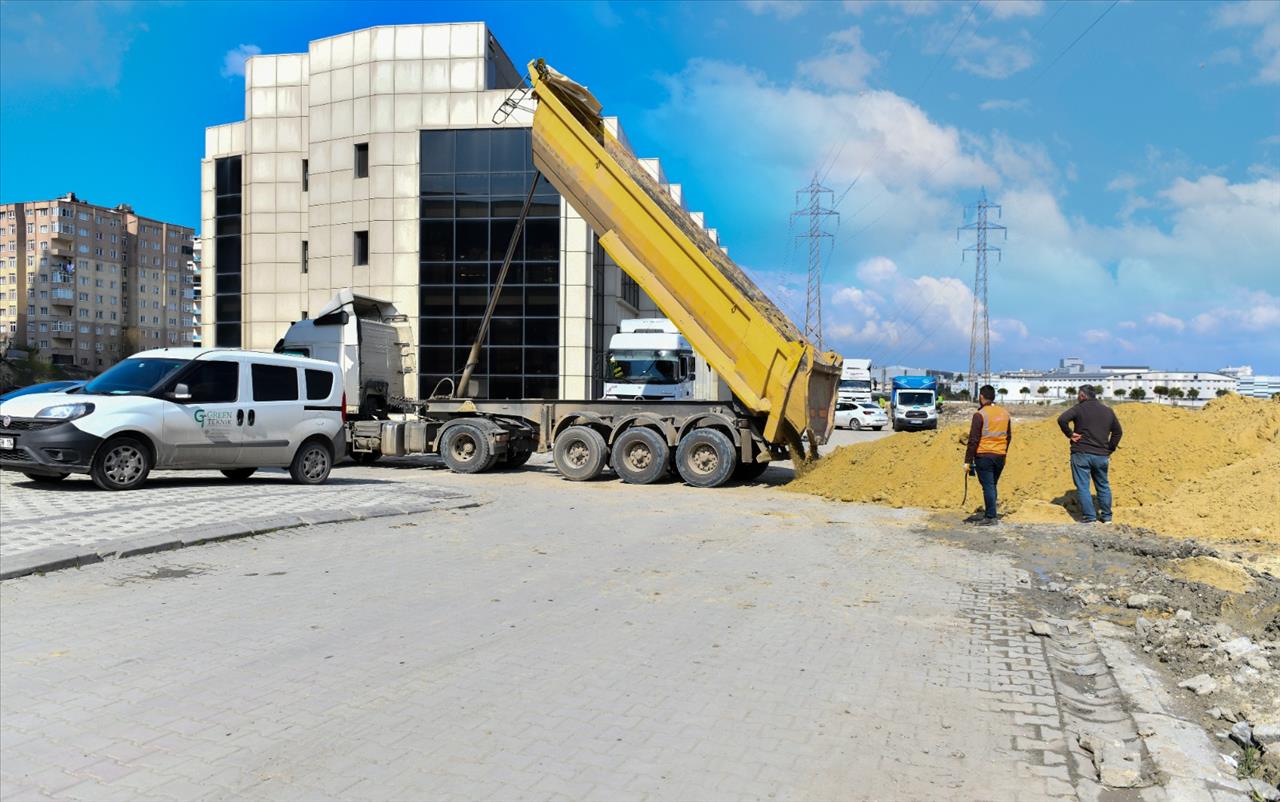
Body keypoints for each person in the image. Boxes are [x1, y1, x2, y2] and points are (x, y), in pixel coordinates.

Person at [1057, 385, 1123, 523]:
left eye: (1078, 395)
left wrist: (1070, 434)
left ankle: (1090, 517)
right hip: (1101, 455)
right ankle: (1107, 517)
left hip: (1081, 453)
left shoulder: (1078, 408)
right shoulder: (1108, 411)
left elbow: (1062, 419)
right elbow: (1118, 432)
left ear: (1082, 395)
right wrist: (1109, 449)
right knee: (1103, 485)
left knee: (1083, 486)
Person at [964, 384, 1012, 525]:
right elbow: (1009, 436)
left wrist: (967, 460)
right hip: (1000, 455)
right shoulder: (1004, 413)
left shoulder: (980, 415)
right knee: (992, 485)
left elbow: (973, 439)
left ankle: (991, 517)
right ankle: (991, 513)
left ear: (981, 397)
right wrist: (1003, 450)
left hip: (984, 455)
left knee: (988, 486)